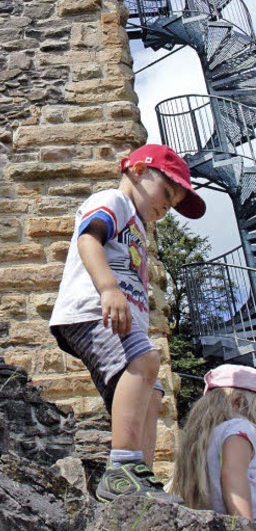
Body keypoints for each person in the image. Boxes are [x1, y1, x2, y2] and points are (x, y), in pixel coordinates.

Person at [49, 143, 206, 503]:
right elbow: (89, 239)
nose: (166, 208)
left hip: (115, 317)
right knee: (145, 361)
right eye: (166, 194)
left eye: (172, 206)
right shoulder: (114, 202)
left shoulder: (138, 227)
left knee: (153, 393)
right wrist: (108, 289)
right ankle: (121, 468)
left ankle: (138, 481)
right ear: (137, 170)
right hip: (92, 310)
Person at [172, 364, 256, 519]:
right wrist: (247, 528)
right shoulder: (240, 427)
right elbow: (233, 474)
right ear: (238, 401)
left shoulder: (204, 438)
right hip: (244, 525)